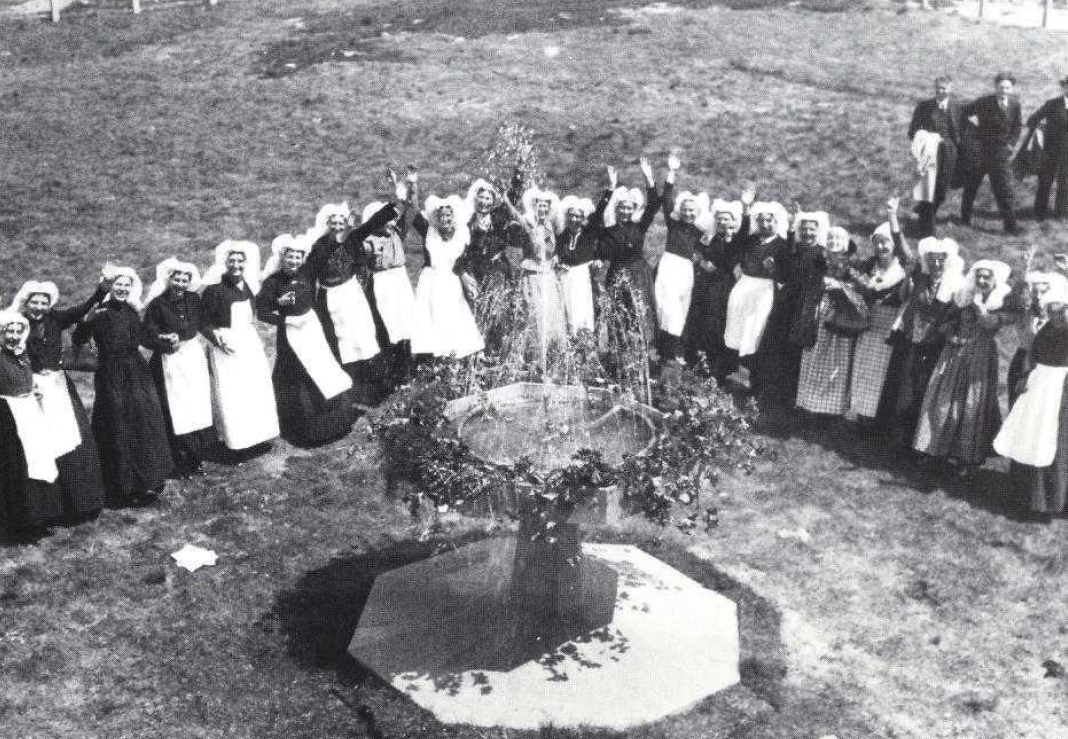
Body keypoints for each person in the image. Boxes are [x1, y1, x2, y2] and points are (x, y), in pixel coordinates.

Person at [73, 266, 173, 505]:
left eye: (127, 285)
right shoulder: (100, 312)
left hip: (137, 371)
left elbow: (142, 339)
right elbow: (78, 340)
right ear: (110, 286)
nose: (123, 288)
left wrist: (163, 340)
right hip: (111, 373)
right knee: (117, 424)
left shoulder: (130, 310)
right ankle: (121, 485)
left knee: (144, 421)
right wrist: (85, 323)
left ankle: (146, 479)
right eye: (118, 284)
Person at [9, 280, 106, 521]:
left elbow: (84, 309)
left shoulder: (56, 319)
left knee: (73, 439)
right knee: (43, 445)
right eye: (35, 301)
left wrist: (101, 289)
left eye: (44, 302)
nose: (39, 307)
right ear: (26, 301)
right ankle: (51, 506)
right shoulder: (18, 325)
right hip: (33, 392)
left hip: (58, 387)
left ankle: (81, 501)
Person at [913, 259, 1013, 475]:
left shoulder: (1000, 302)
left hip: (981, 357)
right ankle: (934, 450)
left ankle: (965, 457)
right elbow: (943, 323)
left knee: (970, 405)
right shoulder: (963, 297)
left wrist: (979, 308)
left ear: (995, 281)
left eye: (987, 277)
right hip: (954, 354)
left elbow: (990, 324)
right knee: (942, 401)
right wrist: (951, 334)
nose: (982, 280)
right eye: (979, 276)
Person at [258, 233, 357, 447]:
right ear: (282, 258)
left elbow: (325, 249)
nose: (293, 261)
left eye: (297, 257)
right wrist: (279, 307)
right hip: (289, 335)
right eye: (289, 257)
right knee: (296, 376)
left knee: (322, 369)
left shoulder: (308, 272)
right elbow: (262, 311)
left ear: (302, 259)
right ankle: (302, 430)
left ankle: (335, 423)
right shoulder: (273, 282)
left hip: (311, 329)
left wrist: (336, 228)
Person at [308, 198, 401, 404]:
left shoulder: (352, 239)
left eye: (341, 223)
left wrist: (394, 202)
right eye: (334, 223)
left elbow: (370, 224)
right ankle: (350, 391)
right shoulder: (319, 246)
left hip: (352, 294)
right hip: (330, 298)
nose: (338, 226)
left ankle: (378, 389)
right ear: (327, 224)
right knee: (341, 341)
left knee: (364, 335)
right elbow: (310, 274)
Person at [993, 280, 1068, 521]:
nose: (1057, 315)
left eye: (1062, 310)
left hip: (1061, 387)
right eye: (1053, 310)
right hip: (1039, 385)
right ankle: (1028, 497)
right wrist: (1026, 376)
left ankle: (1054, 500)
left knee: (1055, 442)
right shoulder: (1045, 327)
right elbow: (1033, 353)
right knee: (1031, 437)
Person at [884, 236, 966, 449]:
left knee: (926, 393)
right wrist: (909, 276)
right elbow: (905, 296)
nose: (936, 264)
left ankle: (919, 444)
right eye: (932, 260)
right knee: (906, 389)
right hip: (913, 340)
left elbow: (960, 315)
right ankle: (898, 442)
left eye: (940, 260)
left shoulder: (956, 284)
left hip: (937, 346)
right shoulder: (921, 279)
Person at [200, 240, 280, 455]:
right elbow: (202, 322)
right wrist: (216, 338)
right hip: (227, 346)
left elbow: (255, 313)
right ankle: (237, 441)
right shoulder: (214, 291)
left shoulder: (248, 287)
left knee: (254, 388)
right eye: (231, 261)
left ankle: (258, 436)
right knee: (233, 392)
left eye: (240, 261)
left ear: (246, 263)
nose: (236, 265)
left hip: (249, 343)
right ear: (224, 263)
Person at [142, 258, 216, 476]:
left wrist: (216, 339)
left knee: (195, 405)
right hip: (168, 362)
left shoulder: (193, 299)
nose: (180, 283)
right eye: (177, 278)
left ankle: (197, 456)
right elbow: (147, 336)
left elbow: (201, 323)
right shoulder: (157, 305)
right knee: (174, 410)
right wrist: (163, 339)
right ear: (169, 279)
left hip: (192, 358)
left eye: (185, 279)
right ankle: (177, 459)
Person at [848, 199, 914, 422]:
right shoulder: (868, 265)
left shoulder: (903, 268)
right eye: (877, 243)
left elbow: (903, 249)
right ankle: (862, 417)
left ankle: (878, 420)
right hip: (868, 327)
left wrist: (891, 216)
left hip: (888, 329)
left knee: (883, 377)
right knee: (863, 372)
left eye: (885, 242)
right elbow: (847, 272)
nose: (881, 247)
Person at [0, 311, 63, 537]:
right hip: (9, 418)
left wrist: (32, 390)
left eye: (18, 332)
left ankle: (42, 516)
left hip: (30, 413)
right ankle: (23, 523)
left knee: (39, 461)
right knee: (19, 467)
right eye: (9, 331)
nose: (14, 337)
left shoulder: (22, 354)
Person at [795, 226, 866, 417]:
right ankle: (810, 403)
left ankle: (831, 407)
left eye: (838, 239)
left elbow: (863, 288)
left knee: (836, 360)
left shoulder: (852, 263)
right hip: (819, 311)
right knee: (814, 355)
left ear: (845, 242)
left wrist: (840, 286)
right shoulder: (820, 260)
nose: (834, 242)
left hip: (841, 314)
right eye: (830, 238)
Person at [410, 182, 486, 359]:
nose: (445, 219)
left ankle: (454, 356)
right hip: (431, 280)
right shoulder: (429, 232)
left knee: (453, 316)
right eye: (442, 216)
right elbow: (413, 210)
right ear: (437, 218)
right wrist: (413, 183)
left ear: (454, 216)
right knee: (431, 318)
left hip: (451, 280)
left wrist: (467, 278)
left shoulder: (462, 235)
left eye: (448, 215)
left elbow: (466, 260)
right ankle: (435, 358)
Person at [593, 159, 662, 349]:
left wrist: (648, 177)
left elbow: (655, 204)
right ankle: (620, 359)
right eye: (622, 207)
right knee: (618, 316)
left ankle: (642, 357)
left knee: (639, 315)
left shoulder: (639, 227)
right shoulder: (609, 230)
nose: (625, 211)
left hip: (638, 274)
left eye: (629, 207)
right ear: (616, 208)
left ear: (634, 209)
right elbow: (597, 221)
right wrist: (611, 188)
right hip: (616, 274)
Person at [685, 192, 751, 379]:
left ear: (733, 220)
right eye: (719, 218)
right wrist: (702, 262)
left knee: (717, 324)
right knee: (700, 321)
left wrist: (746, 208)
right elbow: (697, 252)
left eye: (727, 219)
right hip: (705, 285)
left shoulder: (737, 240)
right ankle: (697, 362)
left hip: (723, 286)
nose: (722, 222)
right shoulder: (711, 236)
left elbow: (731, 259)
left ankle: (719, 367)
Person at [724, 199, 788, 391]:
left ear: (777, 222)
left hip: (764, 289)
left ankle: (752, 374)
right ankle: (737, 371)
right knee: (738, 326)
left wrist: (774, 269)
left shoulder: (782, 244)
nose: (765, 224)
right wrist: (746, 209)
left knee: (755, 328)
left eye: (769, 221)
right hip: (745, 285)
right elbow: (739, 239)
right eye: (761, 221)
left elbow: (785, 273)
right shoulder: (751, 239)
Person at [361, 178, 417, 392]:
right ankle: (392, 379)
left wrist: (409, 187)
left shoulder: (397, 233)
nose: (389, 222)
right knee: (389, 327)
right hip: (382, 284)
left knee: (406, 326)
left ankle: (407, 372)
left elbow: (412, 209)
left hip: (400, 281)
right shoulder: (367, 242)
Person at [655, 153, 708, 364]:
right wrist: (672, 172)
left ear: (697, 212)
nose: (688, 213)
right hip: (669, 266)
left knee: (680, 309)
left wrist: (700, 259)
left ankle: (674, 352)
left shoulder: (699, 231)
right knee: (665, 306)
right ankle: (663, 351)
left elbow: (708, 249)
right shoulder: (674, 224)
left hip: (685, 270)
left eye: (691, 210)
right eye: (685, 209)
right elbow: (666, 200)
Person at [960, 72, 1023, 234]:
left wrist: (1011, 144)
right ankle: (964, 220)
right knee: (971, 186)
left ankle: (1011, 227)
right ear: (995, 87)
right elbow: (963, 113)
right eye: (1001, 87)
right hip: (980, 151)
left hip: (1001, 154)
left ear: (1012, 88)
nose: (1004, 91)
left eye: (1007, 87)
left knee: (1003, 189)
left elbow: (1017, 126)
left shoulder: (1015, 104)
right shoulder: (984, 102)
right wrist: (972, 132)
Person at [908, 76, 963, 236]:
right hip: (929, 154)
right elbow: (912, 131)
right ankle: (927, 230)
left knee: (941, 191)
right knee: (928, 189)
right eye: (938, 88)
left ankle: (923, 210)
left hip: (949, 154)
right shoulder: (924, 107)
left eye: (944, 88)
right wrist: (926, 138)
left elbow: (961, 131)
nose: (941, 91)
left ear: (950, 89)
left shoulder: (957, 107)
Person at [555, 194, 601, 336]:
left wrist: (610, 190)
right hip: (565, 279)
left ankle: (584, 347)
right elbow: (555, 254)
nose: (574, 219)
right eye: (571, 215)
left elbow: (599, 213)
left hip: (583, 280)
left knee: (583, 314)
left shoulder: (588, 234)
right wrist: (557, 262)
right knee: (566, 313)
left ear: (583, 219)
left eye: (578, 216)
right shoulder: (561, 236)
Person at [1024, 75, 1068, 221]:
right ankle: (1039, 212)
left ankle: (1060, 213)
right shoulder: (1052, 104)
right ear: (1064, 87)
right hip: (1050, 151)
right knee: (1045, 181)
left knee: (1065, 183)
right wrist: (1041, 128)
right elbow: (1032, 120)